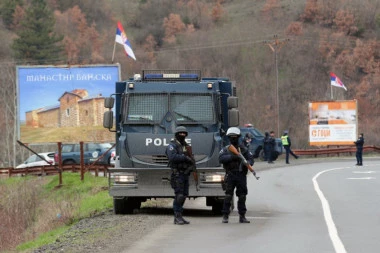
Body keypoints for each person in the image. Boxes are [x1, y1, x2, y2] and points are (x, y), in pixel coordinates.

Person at [219, 127, 254, 224]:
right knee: (228, 196)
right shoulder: (226, 149)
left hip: (241, 175)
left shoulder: (243, 149)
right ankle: (225, 216)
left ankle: (242, 216)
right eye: (231, 137)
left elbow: (251, 159)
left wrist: (246, 162)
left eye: (235, 137)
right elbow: (221, 158)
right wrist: (232, 157)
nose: (233, 139)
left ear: (238, 137)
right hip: (230, 174)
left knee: (242, 196)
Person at [165, 126, 195, 225]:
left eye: (184, 133)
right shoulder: (172, 145)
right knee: (179, 195)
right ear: (176, 134)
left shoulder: (185, 145)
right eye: (180, 133)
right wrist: (185, 158)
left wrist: (191, 165)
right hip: (177, 173)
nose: (182, 135)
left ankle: (180, 215)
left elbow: (191, 157)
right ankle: (177, 216)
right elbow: (172, 157)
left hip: (185, 173)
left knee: (184, 195)